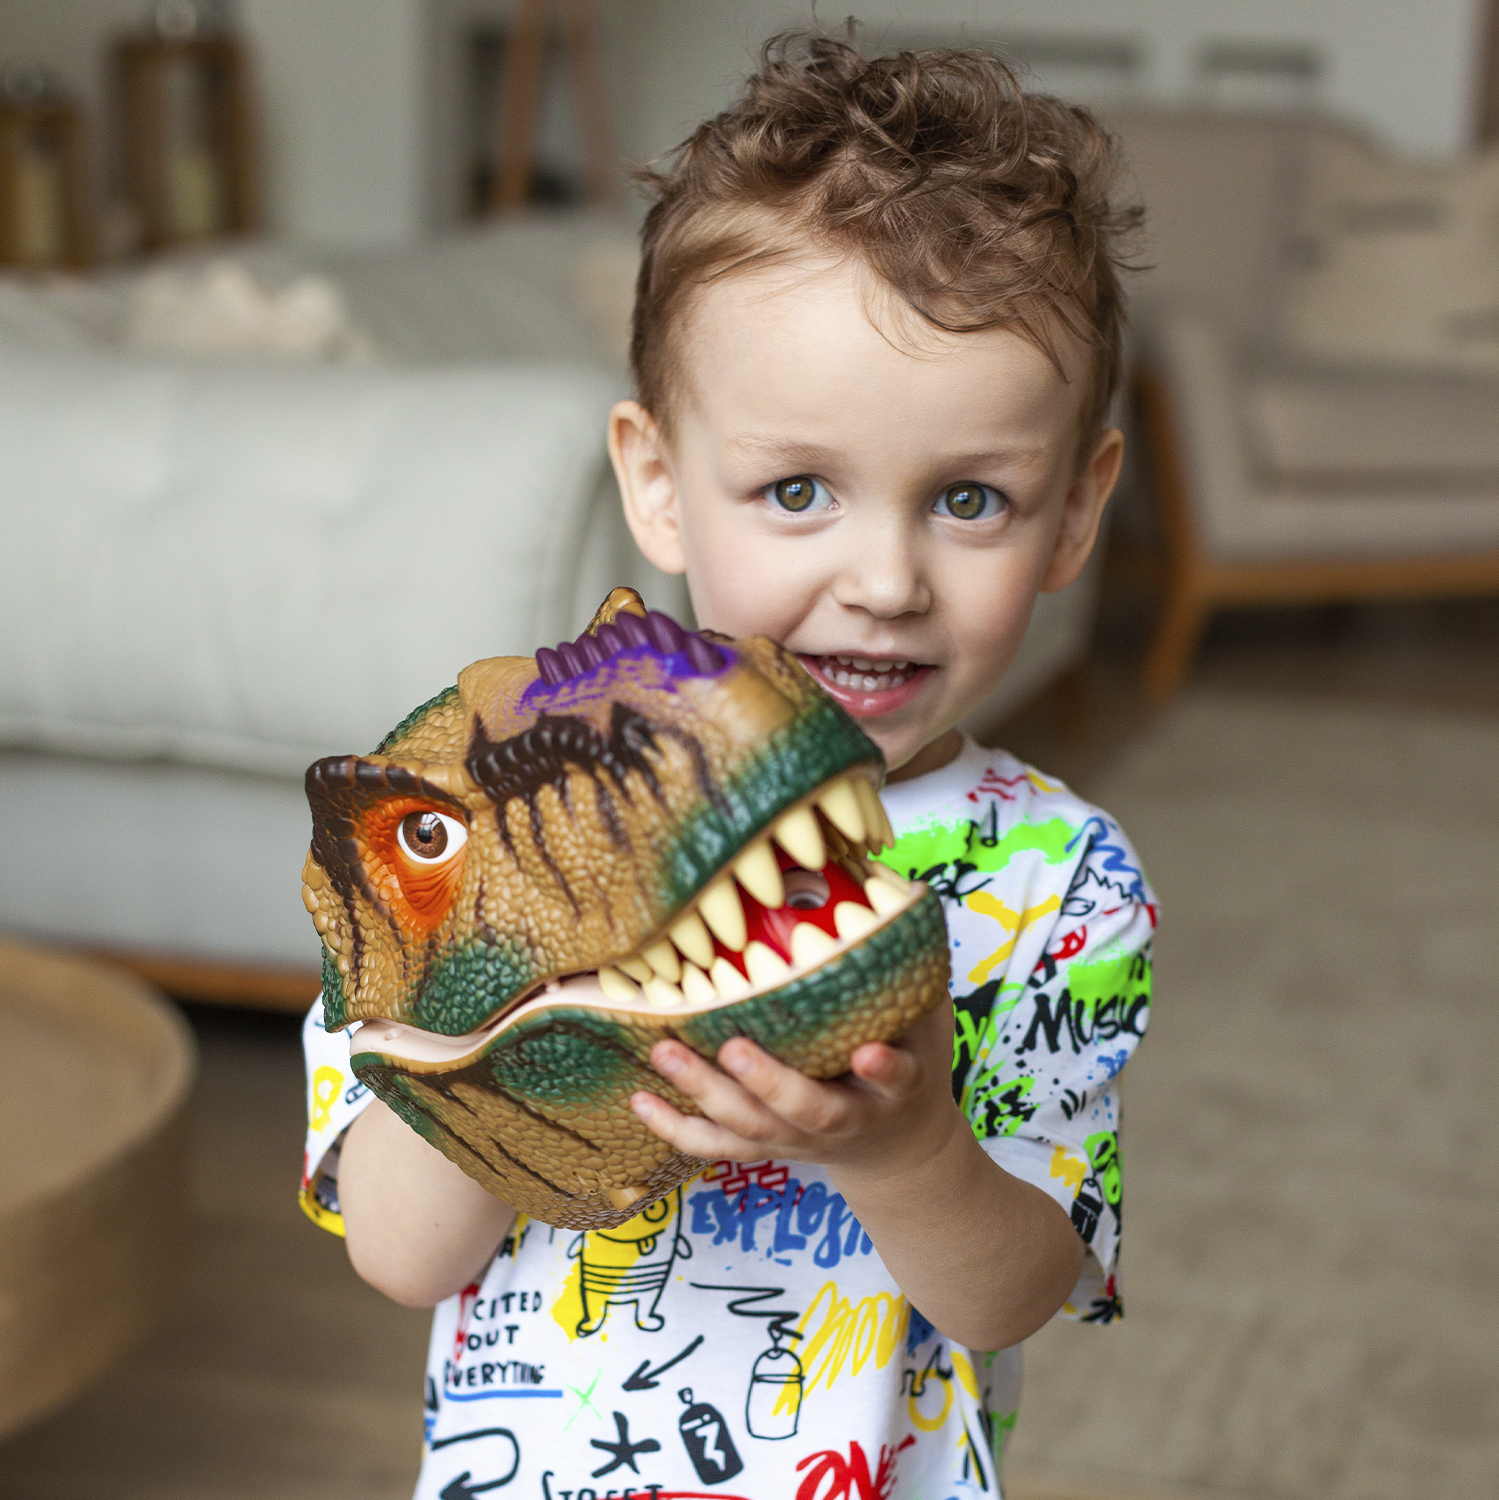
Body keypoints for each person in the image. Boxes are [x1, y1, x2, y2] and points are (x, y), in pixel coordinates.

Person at [301, 32, 1153, 1500]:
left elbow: (1013, 1294)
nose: (884, 578)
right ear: (657, 481)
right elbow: (398, 1252)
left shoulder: (1060, 881)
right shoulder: (486, 816)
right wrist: (516, 979)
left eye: (970, 498)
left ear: (1076, 513)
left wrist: (905, 1153)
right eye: (797, 490)